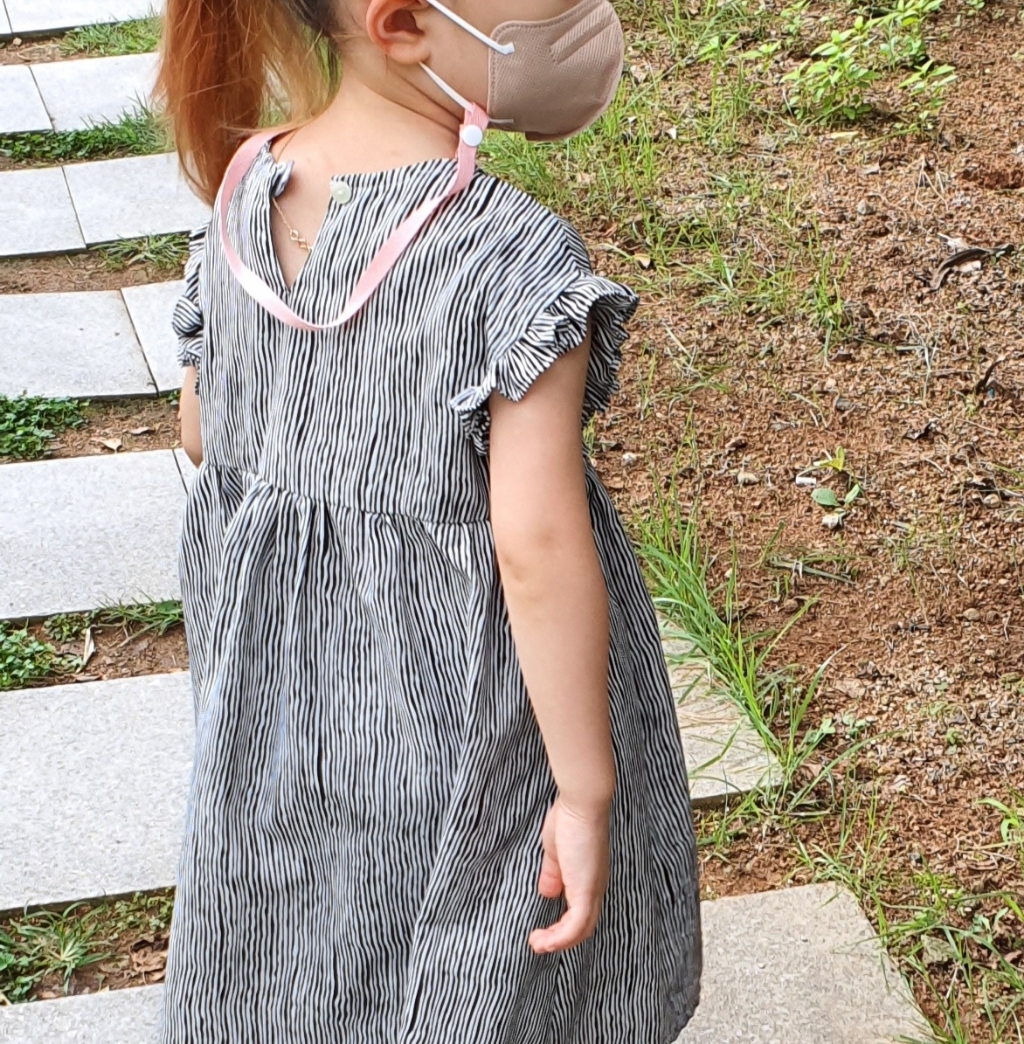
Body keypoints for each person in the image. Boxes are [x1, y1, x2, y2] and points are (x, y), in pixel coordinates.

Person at [157, 0, 701, 1040]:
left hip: (278, 695)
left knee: (301, 937)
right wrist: (585, 789)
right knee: (473, 950)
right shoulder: (512, 256)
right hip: (462, 697)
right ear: (403, 24)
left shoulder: (243, 189)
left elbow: (199, 432)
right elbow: (534, 546)